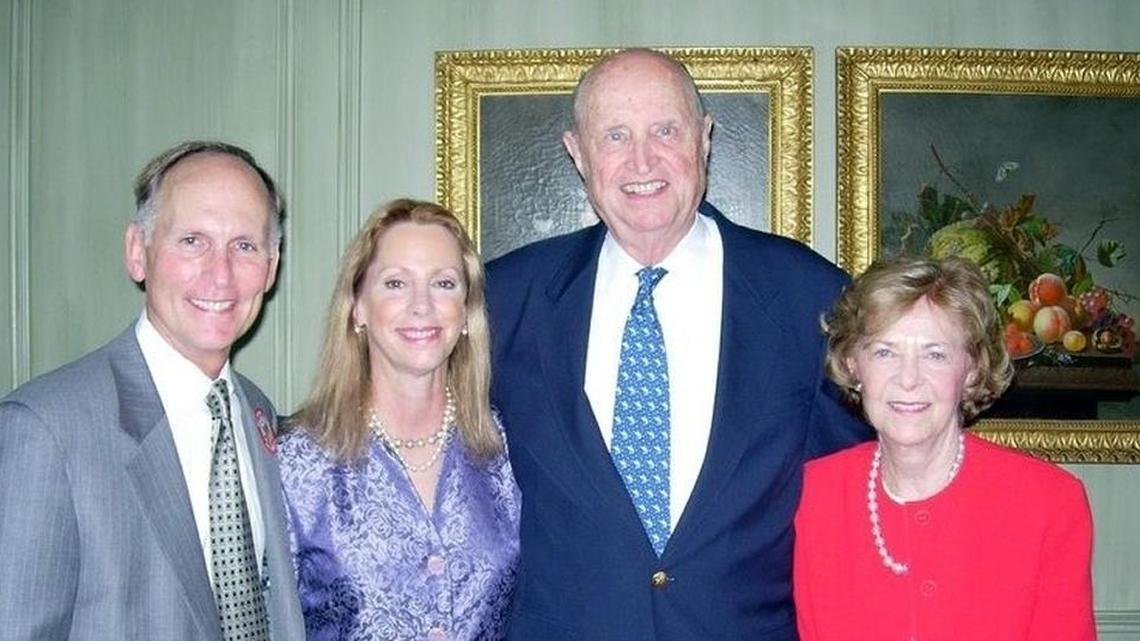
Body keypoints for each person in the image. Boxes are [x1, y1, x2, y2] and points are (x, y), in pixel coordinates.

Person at [485, 48, 870, 640]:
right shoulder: (507, 298)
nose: (642, 159)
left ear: (704, 138)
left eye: (666, 130)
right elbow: (417, 420)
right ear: (577, 153)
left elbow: (859, 494)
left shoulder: (809, 298)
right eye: (615, 135)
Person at [0, 141, 305, 640]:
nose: (220, 273)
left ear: (270, 269)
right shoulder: (43, 430)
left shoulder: (259, 414)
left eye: (244, 246)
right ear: (137, 253)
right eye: (192, 241)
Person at [794, 256, 1095, 640]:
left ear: (971, 369)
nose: (907, 379)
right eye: (884, 351)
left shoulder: (1049, 500)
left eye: (934, 354)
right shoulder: (810, 496)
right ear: (853, 365)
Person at [278, 199, 519, 641]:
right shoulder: (295, 461)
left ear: (466, 312)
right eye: (395, 284)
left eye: (444, 283)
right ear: (358, 309)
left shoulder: (507, 447)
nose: (422, 306)